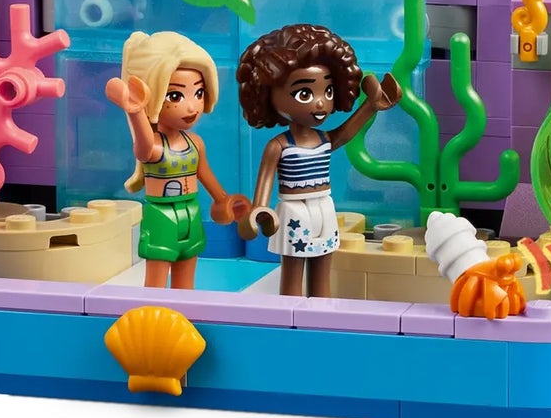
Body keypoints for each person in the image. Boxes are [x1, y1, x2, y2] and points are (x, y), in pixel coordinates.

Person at [236, 23, 401, 296]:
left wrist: (371, 106)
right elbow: (263, 186)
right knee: (292, 274)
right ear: (268, 95)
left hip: (324, 207)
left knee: (322, 271)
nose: (321, 103)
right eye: (305, 93)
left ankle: (321, 313)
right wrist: (259, 210)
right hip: (293, 211)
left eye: (328, 91)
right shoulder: (279, 146)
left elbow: (345, 134)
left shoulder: (323, 138)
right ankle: (289, 314)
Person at [107, 30, 249, 289]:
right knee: (157, 281)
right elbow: (142, 146)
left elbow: (205, 175)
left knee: (186, 279)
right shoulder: (154, 147)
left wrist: (223, 200)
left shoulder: (195, 143)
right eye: (176, 96)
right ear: (152, 94)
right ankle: (155, 313)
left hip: (191, 213)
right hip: (161, 216)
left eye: (199, 93)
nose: (192, 107)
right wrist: (135, 111)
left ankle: (185, 311)